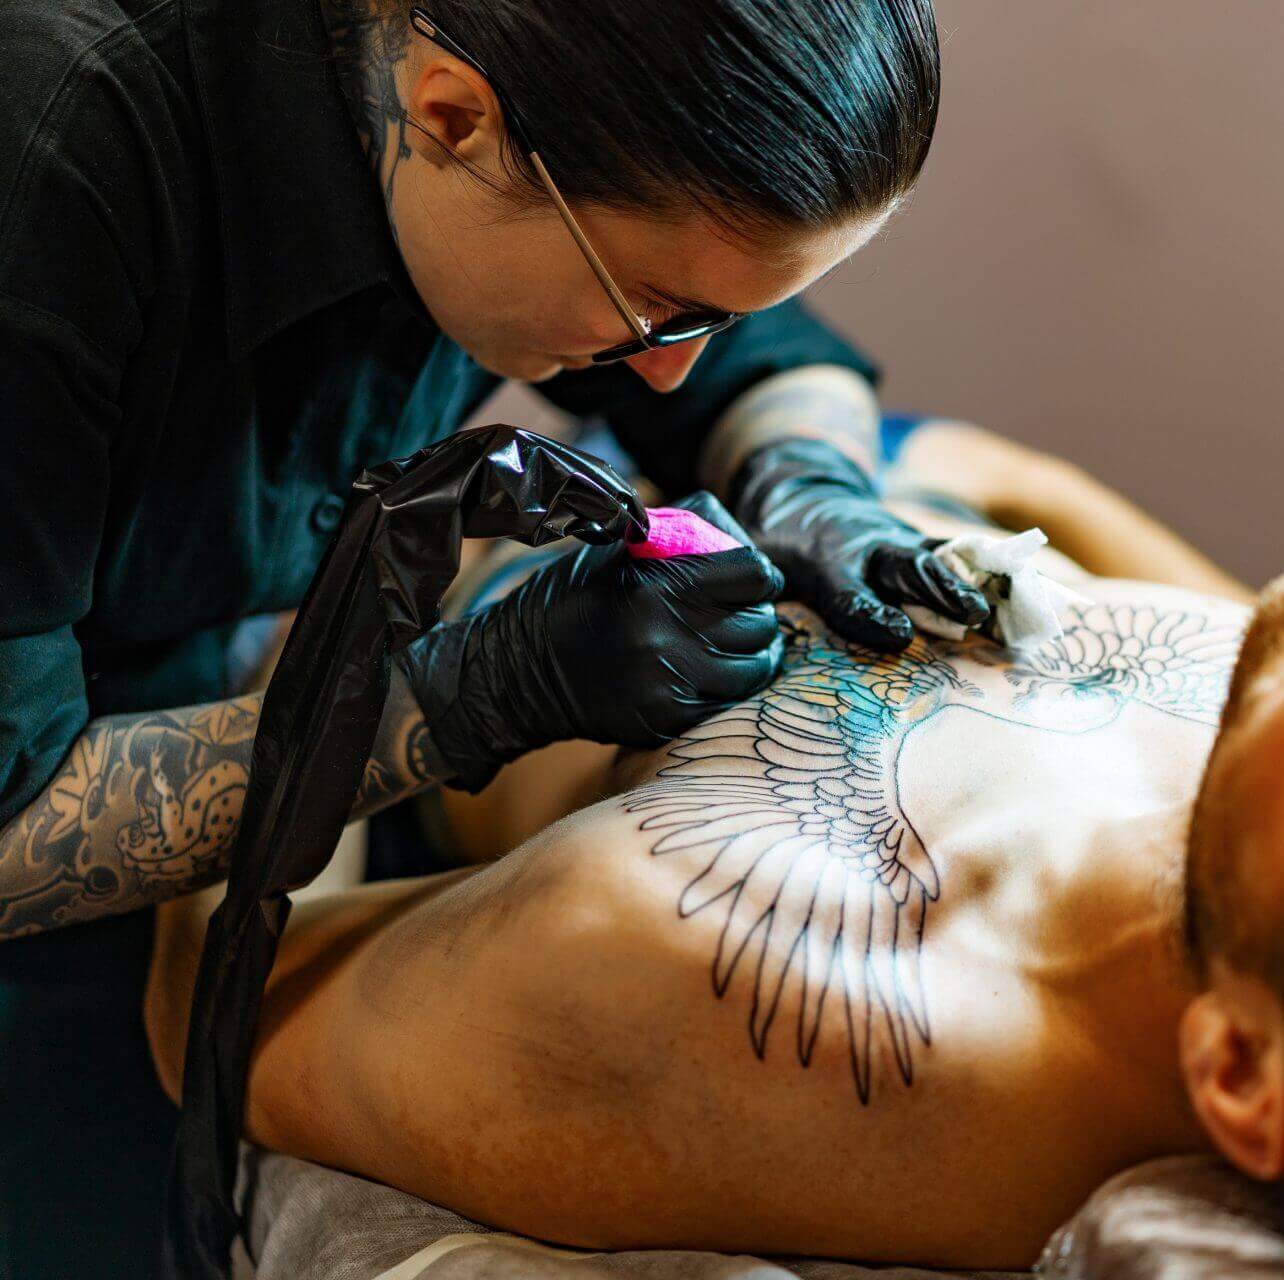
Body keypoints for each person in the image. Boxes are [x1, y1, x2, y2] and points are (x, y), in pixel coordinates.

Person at [144, 518, 1284, 1276]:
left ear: (1243, 1075)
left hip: (299, 599)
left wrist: (387, 687)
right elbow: (1017, 481)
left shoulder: (706, 974)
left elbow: (206, 1017)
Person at [0, 0, 984, 1270]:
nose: (668, 374)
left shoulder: (515, 115)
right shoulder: (52, 165)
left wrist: (813, 486)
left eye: (711, 318)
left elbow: (766, 364)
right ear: (454, 115)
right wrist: (461, 698)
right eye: (658, 310)